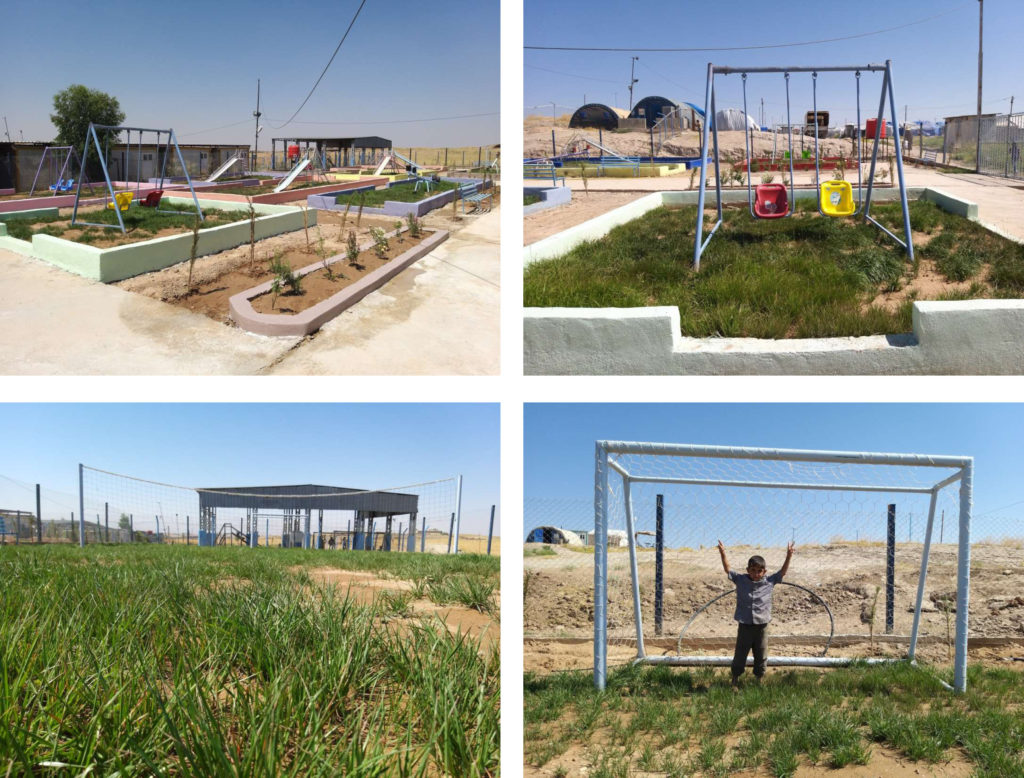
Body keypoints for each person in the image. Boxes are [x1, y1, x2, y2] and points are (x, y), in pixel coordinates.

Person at [717, 539, 795, 689]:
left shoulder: (770, 581)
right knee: (741, 653)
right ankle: (735, 679)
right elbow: (728, 570)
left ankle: (759, 678)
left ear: (764, 572)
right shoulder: (740, 580)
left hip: (762, 626)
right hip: (745, 625)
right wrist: (723, 552)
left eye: (759, 571)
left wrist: (789, 555)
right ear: (748, 570)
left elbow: (783, 572)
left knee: (761, 653)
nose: (756, 574)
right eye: (753, 570)